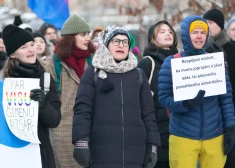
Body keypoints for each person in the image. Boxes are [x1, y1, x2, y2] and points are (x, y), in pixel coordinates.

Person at [72, 25, 160, 168]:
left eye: (125, 42)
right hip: (101, 151)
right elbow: (82, 109)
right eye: (116, 41)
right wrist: (81, 141)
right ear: (106, 45)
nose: (121, 45)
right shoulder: (93, 73)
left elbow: (149, 114)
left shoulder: (138, 75)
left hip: (135, 152)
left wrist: (153, 145)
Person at [158, 15, 235, 168]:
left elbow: (226, 100)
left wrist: (230, 128)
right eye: (195, 32)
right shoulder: (172, 62)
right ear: (186, 34)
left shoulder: (215, 63)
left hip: (215, 135)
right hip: (183, 135)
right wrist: (186, 103)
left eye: (203, 32)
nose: (199, 36)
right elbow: (164, 98)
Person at [2, 24, 61, 168]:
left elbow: (54, 121)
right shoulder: (4, 82)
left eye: (32, 44)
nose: (30, 50)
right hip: (12, 153)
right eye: (23, 47)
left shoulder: (46, 79)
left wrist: (42, 105)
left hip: (41, 153)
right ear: (12, 54)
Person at [47, 14, 95, 168]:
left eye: (87, 34)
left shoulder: (93, 61)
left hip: (91, 130)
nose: (87, 38)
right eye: (82, 35)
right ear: (70, 38)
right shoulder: (52, 64)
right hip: (63, 133)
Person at [138, 20, 178, 168]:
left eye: (170, 31)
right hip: (157, 135)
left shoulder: (181, 61)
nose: (168, 33)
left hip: (179, 133)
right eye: (162, 31)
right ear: (153, 39)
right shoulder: (147, 63)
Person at [203, 10, 235, 167]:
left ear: (221, 26)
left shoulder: (231, 50)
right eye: (204, 23)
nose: (206, 27)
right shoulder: (199, 53)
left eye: (210, 23)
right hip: (209, 117)